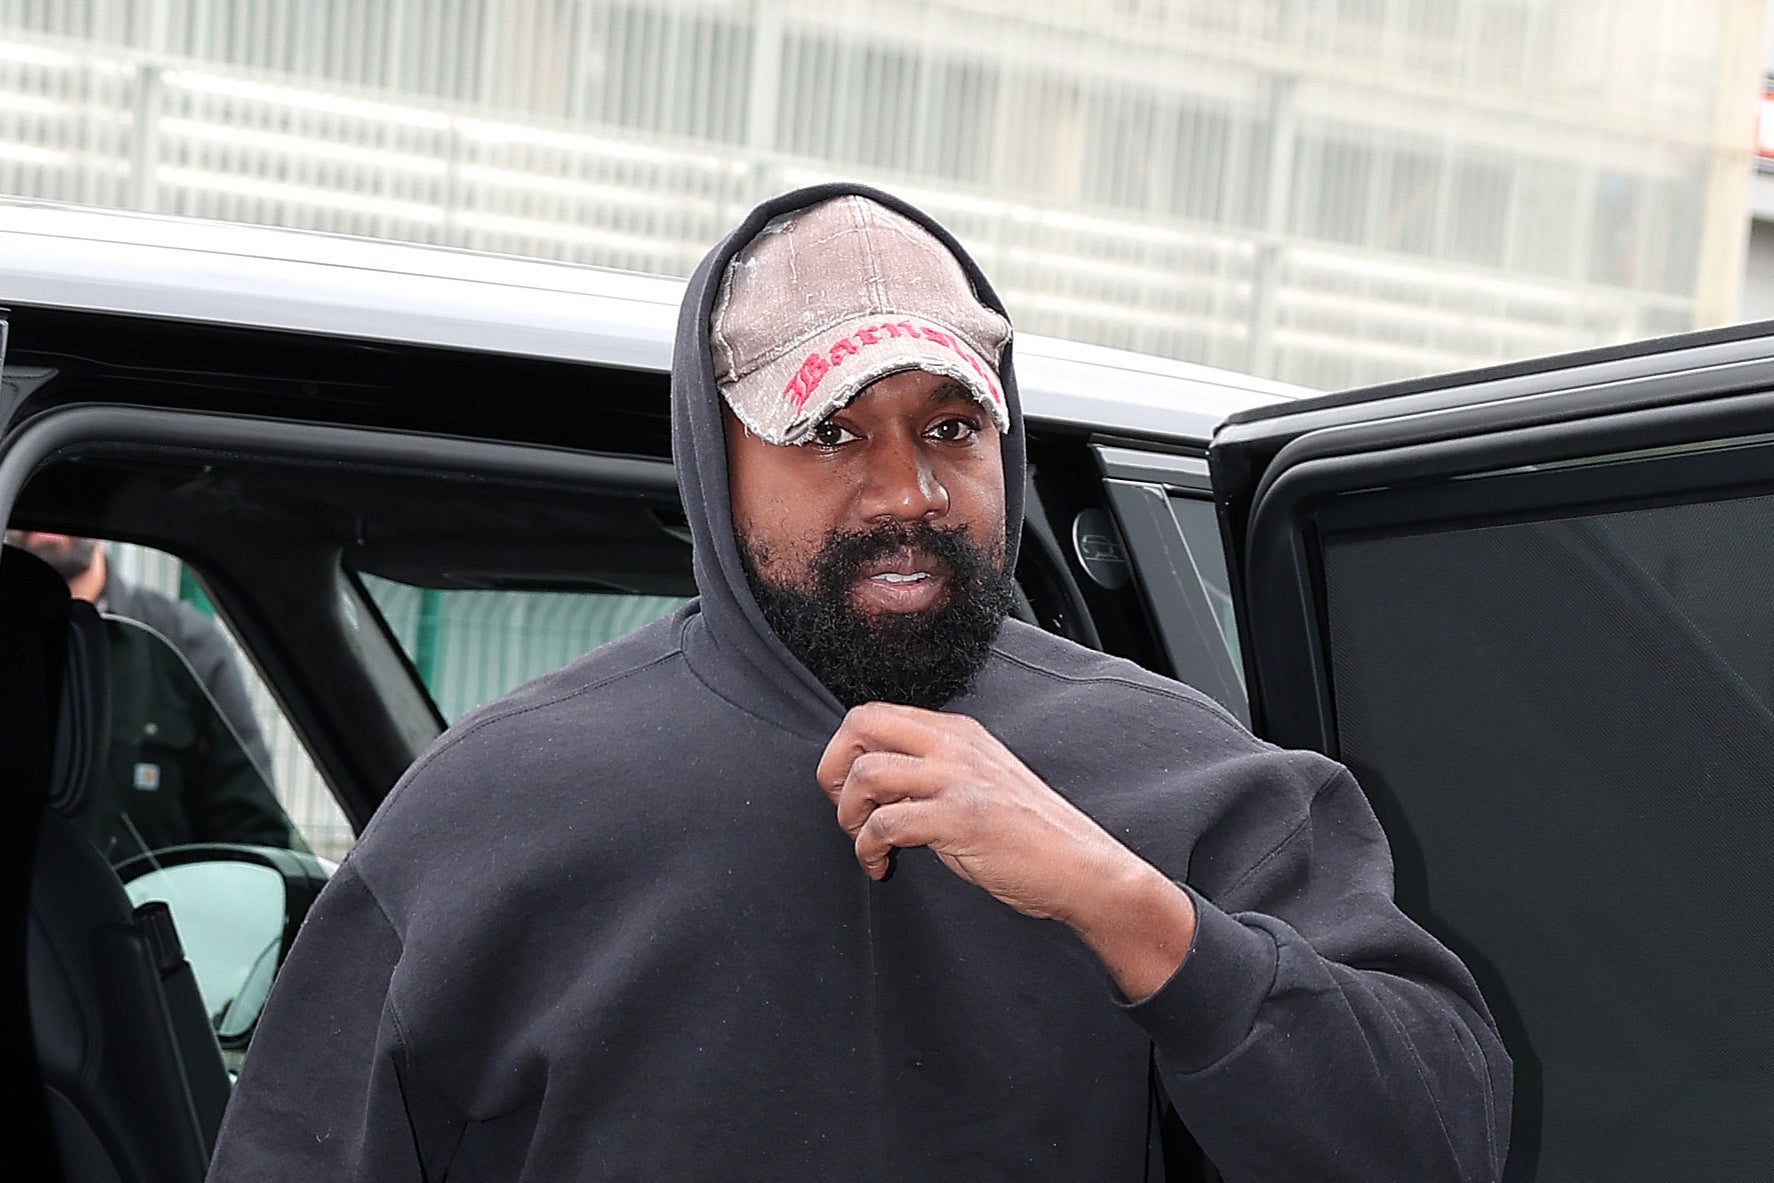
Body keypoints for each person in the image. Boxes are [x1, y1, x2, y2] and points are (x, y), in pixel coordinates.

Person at [209, 184, 1510, 1180]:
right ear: (712, 458)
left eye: (951, 425)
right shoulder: (490, 812)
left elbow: (1443, 1137)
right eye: (828, 432)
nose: (905, 493)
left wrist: (1131, 907)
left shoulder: (1188, 777)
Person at [4, 530, 291, 858]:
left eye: (66, 488)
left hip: (141, 905)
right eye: (39, 493)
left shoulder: (182, 643)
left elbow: (251, 830)